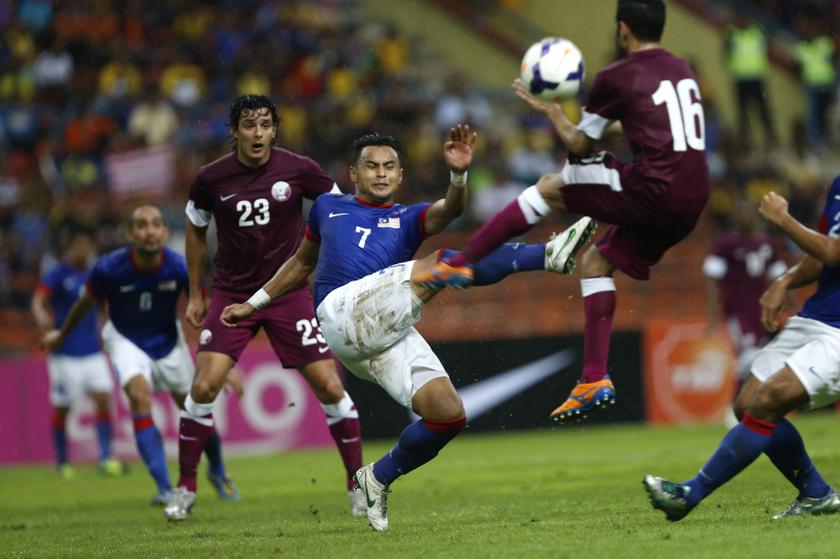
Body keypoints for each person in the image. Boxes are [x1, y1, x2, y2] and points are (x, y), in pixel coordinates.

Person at [218, 127, 593, 531]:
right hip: (339, 312)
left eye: (389, 167)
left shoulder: (409, 217)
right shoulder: (328, 207)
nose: (381, 173)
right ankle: (549, 254)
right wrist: (254, 303)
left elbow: (449, 210)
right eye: (371, 166)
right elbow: (301, 264)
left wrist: (459, 176)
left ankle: (377, 477)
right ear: (353, 174)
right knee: (443, 263)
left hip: (380, 334)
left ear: (400, 176)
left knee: (448, 415)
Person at [419, 0, 709, 423]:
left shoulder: (617, 75)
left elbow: (580, 144)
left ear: (622, 29)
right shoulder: (682, 70)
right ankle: (593, 378)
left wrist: (553, 111)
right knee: (595, 263)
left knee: (551, 187)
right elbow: (640, 121)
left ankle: (461, 262)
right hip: (694, 197)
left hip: (654, 189)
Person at [169, 94, 364, 521]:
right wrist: (196, 293)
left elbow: (339, 212)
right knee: (203, 388)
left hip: (287, 294)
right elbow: (196, 231)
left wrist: (334, 263)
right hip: (231, 294)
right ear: (234, 131)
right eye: (248, 125)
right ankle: (184, 488)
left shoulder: (299, 169)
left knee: (331, 388)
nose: (257, 133)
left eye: (264, 125)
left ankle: (357, 485)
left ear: (275, 129)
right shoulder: (210, 178)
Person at [644, 186, 840, 521]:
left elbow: (835, 252)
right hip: (817, 315)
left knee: (768, 401)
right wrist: (784, 281)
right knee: (748, 405)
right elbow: (821, 257)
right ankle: (816, 493)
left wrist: (783, 220)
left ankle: (690, 493)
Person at [42, 205, 239, 506]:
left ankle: (218, 470)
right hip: (125, 338)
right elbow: (85, 303)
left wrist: (220, 357)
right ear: (130, 234)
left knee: (195, 409)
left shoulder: (179, 266)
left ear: (164, 232)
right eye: (142, 225)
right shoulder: (109, 268)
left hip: (168, 342)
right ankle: (164, 487)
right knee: (139, 394)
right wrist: (62, 333)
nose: (149, 231)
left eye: (156, 224)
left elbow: (209, 310)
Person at [31, 228, 123, 478]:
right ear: (71, 247)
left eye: (87, 245)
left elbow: (106, 303)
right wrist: (42, 317)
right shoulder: (58, 274)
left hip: (92, 351)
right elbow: (39, 299)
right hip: (65, 354)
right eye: (79, 245)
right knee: (64, 407)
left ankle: (106, 457)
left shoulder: (95, 274)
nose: (84, 250)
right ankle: (62, 462)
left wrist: (104, 325)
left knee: (104, 399)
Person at [703, 198, 786, 400]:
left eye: (750, 212)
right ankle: (736, 407)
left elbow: (781, 276)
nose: (746, 217)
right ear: (735, 217)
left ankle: (751, 406)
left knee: (759, 357)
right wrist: (713, 317)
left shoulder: (765, 243)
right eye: (743, 212)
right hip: (737, 310)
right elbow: (712, 278)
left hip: (762, 309)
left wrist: (788, 305)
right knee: (749, 355)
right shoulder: (725, 244)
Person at [724, 14, 776, 147]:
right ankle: (745, 142)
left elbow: (768, 46)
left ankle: (771, 140)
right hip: (741, 80)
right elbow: (726, 54)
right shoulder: (732, 35)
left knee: (763, 112)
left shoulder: (758, 33)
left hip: (756, 78)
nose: (742, 21)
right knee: (743, 114)